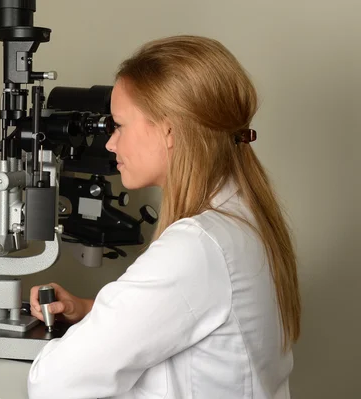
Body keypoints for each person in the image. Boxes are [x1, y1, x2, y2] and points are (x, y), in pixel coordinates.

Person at [28, 35, 301, 399]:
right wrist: (90, 311)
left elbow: (52, 383)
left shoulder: (196, 247)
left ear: (169, 131)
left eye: (119, 125)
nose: (110, 143)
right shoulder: (242, 217)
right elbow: (192, 314)